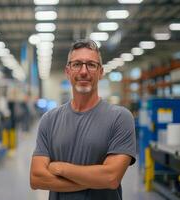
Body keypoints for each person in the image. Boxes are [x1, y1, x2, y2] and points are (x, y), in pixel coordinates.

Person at [30, 39, 136, 200]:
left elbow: (111, 178)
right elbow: (36, 178)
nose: (84, 71)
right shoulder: (49, 120)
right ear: (68, 71)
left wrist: (60, 168)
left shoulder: (120, 118)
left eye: (91, 65)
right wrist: (94, 179)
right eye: (77, 64)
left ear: (100, 72)